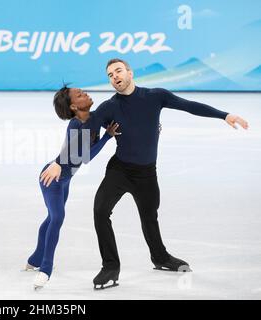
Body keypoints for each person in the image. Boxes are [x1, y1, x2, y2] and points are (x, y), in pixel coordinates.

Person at [40, 58, 249, 290]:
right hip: (119, 170)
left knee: (149, 215)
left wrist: (224, 115)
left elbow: (189, 105)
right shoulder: (109, 107)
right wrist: (59, 162)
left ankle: (160, 258)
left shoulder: (155, 96)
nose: (114, 77)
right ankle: (110, 266)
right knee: (100, 211)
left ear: (129, 72)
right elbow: (81, 132)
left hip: (147, 173)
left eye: (118, 71)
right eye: (110, 75)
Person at [25, 86, 120, 290]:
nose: (85, 93)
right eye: (79, 95)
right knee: (57, 218)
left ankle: (33, 259)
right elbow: (83, 157)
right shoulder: (76, 125)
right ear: (74, 106)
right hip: (52, 177)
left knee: (51, 217)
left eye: (83, 91)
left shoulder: (93, 118)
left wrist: (107, 134)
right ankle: (45, 269)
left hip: (65, 179)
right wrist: (106, 137)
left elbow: (86, 155)